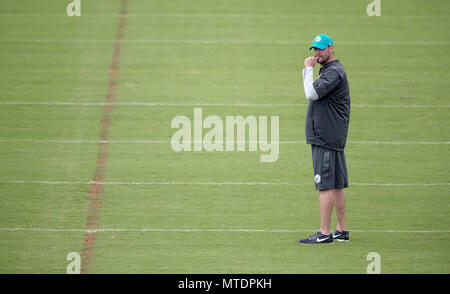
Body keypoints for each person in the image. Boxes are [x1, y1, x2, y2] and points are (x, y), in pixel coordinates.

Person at [299, 34, 351, 244]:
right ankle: (341, 230)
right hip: (332, 136)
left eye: (321, 49)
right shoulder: (331, 71)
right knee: (336, 183)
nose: (316, 53)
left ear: (331, 48)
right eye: (314, 49)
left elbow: (311, 93)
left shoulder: (333, 72)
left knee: (325, 184)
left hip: (326, 138)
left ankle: (324, 233)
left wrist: (308, 69)